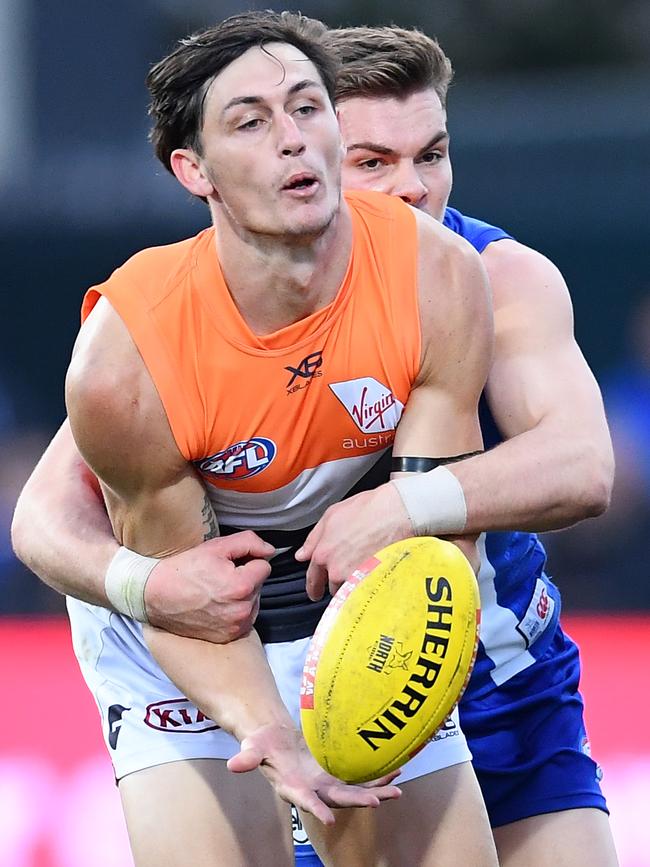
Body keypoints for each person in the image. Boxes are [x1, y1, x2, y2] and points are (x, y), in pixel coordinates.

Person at [13, 11, 500, 867]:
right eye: (250, 121)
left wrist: (381, 686)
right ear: (191, 171)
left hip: (348, 579)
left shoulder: (438, 273)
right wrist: (275, 732)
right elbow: (190, 598)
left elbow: (436, 536)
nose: (292, 140)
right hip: (181, 608)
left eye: (309, 108)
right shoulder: (127, 360)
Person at [290, 24, 618, 867]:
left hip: (504, 685)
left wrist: (402, 505)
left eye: (431, 155)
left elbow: (584, 464)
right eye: (374, 163)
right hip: (328, 701)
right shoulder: (226, 296)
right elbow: (54, 508)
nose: (414, 188)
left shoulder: (504, 275)